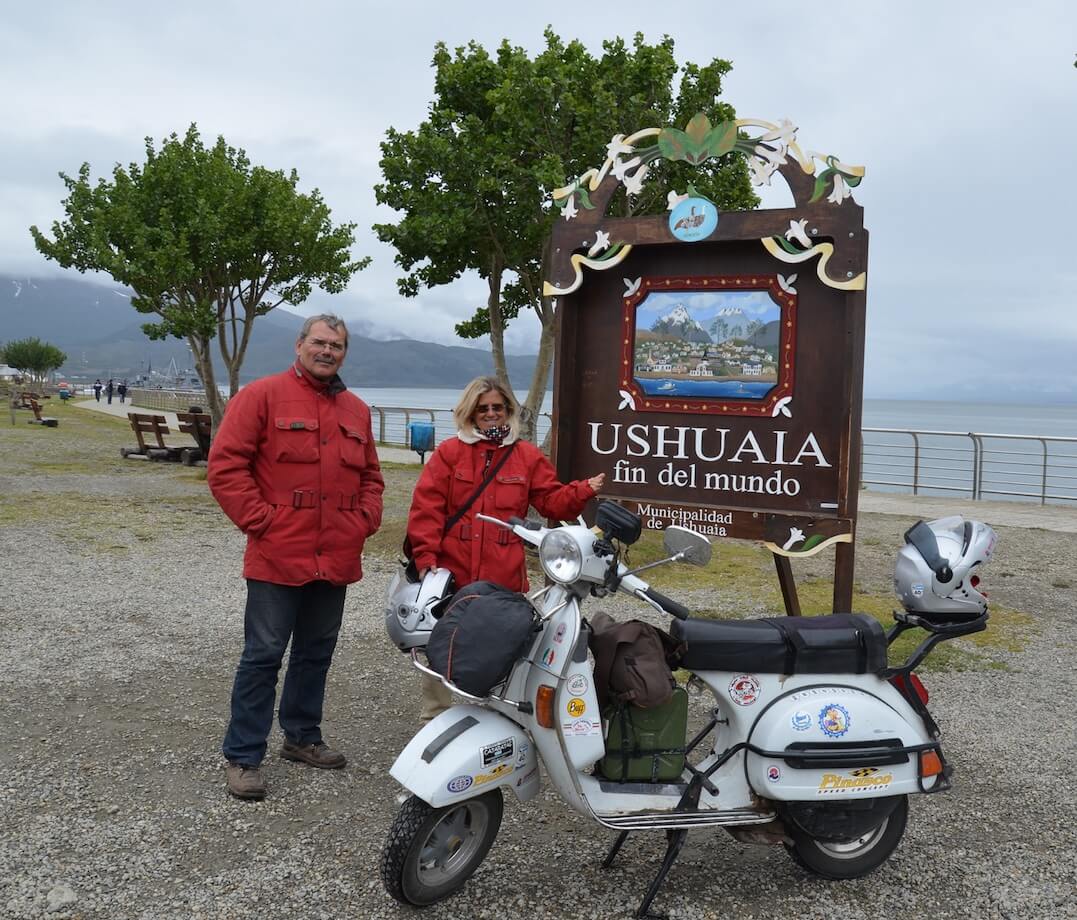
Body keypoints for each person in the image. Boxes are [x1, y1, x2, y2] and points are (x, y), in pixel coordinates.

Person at [207, 314, 384, 801]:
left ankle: (302, 737)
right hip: (277, 554)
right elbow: (225, 467)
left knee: (316, 652)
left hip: (336, 555)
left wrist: (363, 520)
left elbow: (371, 477)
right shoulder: (261, 396)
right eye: (320, 342)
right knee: (263, 656)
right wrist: (262, 521)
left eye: (337, 345)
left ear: (344, 353)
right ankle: (244, 756)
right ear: (300, 344)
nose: (328, 351)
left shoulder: (356, 410)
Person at [406, 376, 604, 721]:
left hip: (503, 574)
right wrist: (425, 556)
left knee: (500, 647)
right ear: (470, 412)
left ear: (508, 410)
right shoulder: (449, 453)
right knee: (440, 641)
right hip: (453, 573)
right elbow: (427, 508)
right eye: (483, 408)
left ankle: (497, 718)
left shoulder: (526, 456)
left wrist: (583, 490)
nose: (491, 413)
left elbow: (552, 502)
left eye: (497, 407)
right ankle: (434, 717)